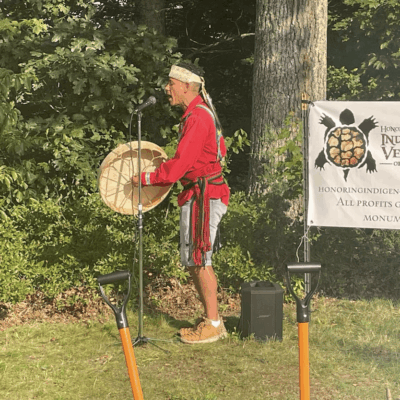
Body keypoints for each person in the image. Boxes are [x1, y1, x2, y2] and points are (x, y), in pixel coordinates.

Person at [131, 62, 230, 344]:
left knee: (200, 259)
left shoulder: (198, 118)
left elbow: (178, 167)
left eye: (171, 83)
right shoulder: (199, 113)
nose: (167, 88)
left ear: (186, 86)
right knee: (195, 259)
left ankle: (213, 323)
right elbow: (215, 151)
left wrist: (148, 177)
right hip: (202, 193)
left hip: (204, 196)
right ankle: (211, 319)